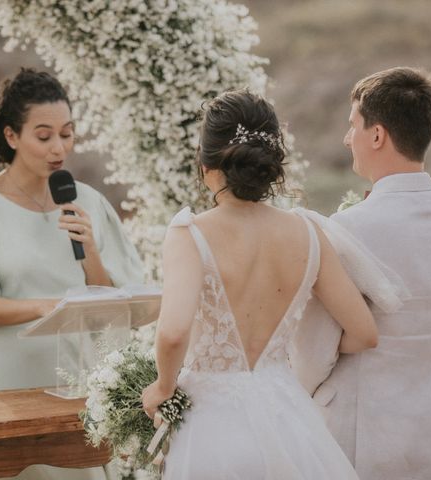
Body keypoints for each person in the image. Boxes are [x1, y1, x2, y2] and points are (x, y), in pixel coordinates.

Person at [141, 89, 378, 479]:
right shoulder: (310, 232)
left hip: (211, 424)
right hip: (286, 416)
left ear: (206, 165)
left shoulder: (190, 233)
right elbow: (365, 333)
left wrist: (163, 388)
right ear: (271, 164)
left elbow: (172, 333)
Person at [0, 68, 144, 479]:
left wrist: (89, 251)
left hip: (72, 388)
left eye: (67, 133)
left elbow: (117, 303)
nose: (59, 147)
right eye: (44, 135)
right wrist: (53, 307)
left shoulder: (89, 203)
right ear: (12, 136)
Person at [295, 67, 431, 480]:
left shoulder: (347, 228)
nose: (347, 139)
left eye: (353, 126)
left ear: (377, 135)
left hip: (358, 441)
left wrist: (289, 399)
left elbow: (314, 351)